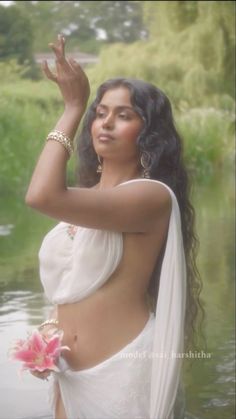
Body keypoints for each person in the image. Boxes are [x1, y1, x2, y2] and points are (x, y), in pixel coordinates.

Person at [25, 34, 203, 419]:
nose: (105, 123)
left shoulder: (150, 197)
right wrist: (50, 333)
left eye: (124, 115)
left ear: (149, 132)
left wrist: (73, 107)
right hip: (68, 373)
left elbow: (41, 195)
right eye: (99, 112)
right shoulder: (89, 200)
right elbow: (75, 286)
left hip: (124, 373)